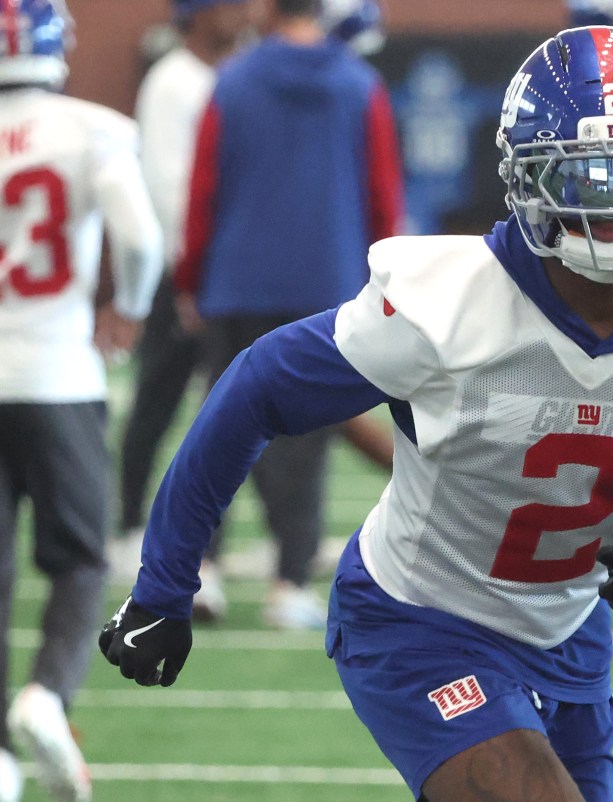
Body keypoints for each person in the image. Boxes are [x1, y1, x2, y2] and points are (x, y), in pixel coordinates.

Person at [98, 25, 613, 802]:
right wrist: (163, 585)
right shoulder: (443, 304)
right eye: (585, 175)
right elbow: (256, 389)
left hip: (567, 636)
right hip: (419, 617)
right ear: (526, 178)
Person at [173, 0, 402, 628]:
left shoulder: (234, 79)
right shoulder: (361, 84)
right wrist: (388, 279)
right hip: (326, 280)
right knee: (308, 440)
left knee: (222, 427)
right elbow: (384, 195)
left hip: (238, 276)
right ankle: (289, 581)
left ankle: (202, 571)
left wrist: (191, 274)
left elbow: (203, 187)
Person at [0, 2, 163, 800]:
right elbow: (138, 237)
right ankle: (45, 694)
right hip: (57, 371)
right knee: (79, 558)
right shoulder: (92, 128)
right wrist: (126, 305)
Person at [108, 0, 257, 582]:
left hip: (222, 270)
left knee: (225, 413)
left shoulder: (236, 72)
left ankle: (209, 547)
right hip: (188, 272)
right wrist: (191, 274)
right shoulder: (173, 81)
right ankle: (126, 528)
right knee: (158, 401)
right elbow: (168, 185)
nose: (244, 13)